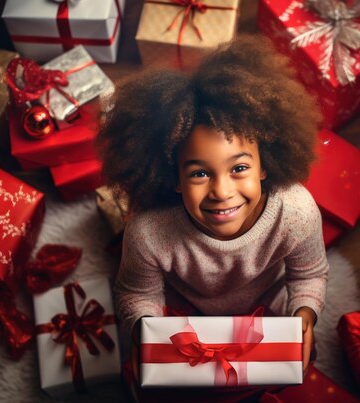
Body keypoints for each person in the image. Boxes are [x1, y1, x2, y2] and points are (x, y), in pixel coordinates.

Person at [98, 35, 328, 373]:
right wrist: (144, 330)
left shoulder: (296, 212)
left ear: (264, 165)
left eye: (238, 168)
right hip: (182, 319)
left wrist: (304, 314)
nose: (222, 191)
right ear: (173, 177)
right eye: (200, 174)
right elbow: (135, 293)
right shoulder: (148, 231)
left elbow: (310, 275)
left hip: (267, 310)